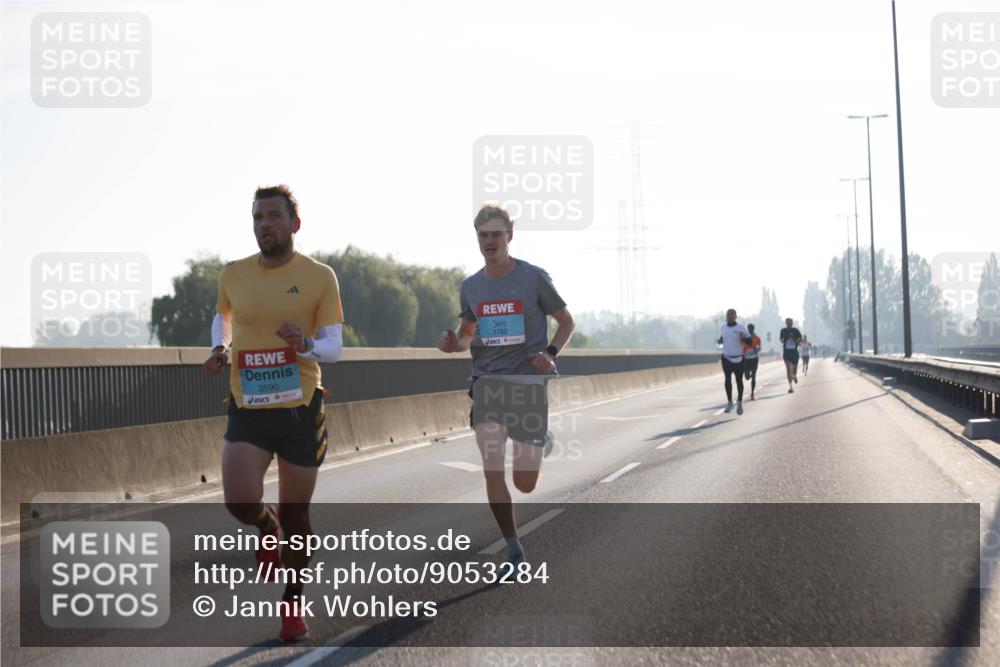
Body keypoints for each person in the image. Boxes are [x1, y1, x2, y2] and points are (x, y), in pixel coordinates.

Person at [203, 185, 345, 642]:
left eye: (273, 216)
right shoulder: (234, 274)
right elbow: (222, 316)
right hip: (249, 406)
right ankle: (267, 528)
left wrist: (306, 345)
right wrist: (220, 347)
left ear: (294, 224)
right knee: (240, 500)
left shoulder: (320, 276)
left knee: (298, 516)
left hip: (301, 409)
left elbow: (335, 347)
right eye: (258, 216)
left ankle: (292, 603)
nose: (264, 223)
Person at [437, 204, 574, 572]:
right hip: (487, 382)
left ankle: (540, 438)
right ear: (477, 238)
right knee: (492, 466)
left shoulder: (533, 278)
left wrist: (550, 352)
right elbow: (467, 336)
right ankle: (513, 548)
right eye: (483, 235)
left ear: (510, 237)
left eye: (496, 234)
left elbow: (565, 322)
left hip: (528, 381)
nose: (489, 242)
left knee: (525, 482)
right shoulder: (471, 286)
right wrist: (454, 344)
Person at [716, 309, 751, 414]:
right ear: (726, 316)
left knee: (739, 381)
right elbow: (723, 338)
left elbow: (750, 342)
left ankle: (739, 402)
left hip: (739, 358)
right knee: (727, 379)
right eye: (728, 315)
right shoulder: (723, 327)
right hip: (726, 357)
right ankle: (730, 402)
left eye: (732, 315)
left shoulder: (741, 328)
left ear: (736, 316)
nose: (730, 316)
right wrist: (720, 340)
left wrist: (743, 338)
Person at [779, 317, 802, 393]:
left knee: (794, 370)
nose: (788, 324)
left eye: (790, 322)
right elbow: (781, 340)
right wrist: (786, 340)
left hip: (794, 352)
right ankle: (790, 387)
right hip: (786, 352)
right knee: (788, 369)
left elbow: (800, 340)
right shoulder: (783, 331)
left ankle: (794, 376)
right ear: (786, 323)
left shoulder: (796, 330)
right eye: (787, 322)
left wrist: (794, 340)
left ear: (792, 323)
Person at [742, 323, 762, 400]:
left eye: (751, 328)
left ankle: (752, 394)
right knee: (747, 377)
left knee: (754, 376)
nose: (750, 330)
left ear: (753, 329)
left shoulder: (757, 338)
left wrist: (756, 349)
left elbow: (760, 348)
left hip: (754, 359)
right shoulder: (744, 338)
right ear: (747, 329)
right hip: (746, 359)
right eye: (749, 328)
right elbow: (741, 345)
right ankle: (748, 375)